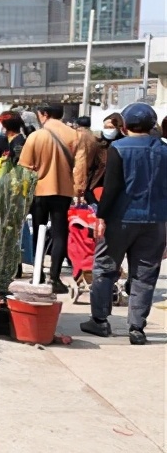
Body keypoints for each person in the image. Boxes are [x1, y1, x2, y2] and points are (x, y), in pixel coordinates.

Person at [81, 103, 166, 346]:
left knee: (105, 268)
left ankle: (99, 320)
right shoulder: (165, 151)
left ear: (125, 126)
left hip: (121, 218)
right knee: (145, 275)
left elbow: (113, 187)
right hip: (155, 220)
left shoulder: (118, 148)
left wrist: (101, 216)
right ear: (152, 126)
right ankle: (137, 328)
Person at [18, 104, 88, 291]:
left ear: (44, 115)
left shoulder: (35, 136)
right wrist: (79, 190)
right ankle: (55, 277)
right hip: (64, 191)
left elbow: (24, 166)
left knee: (38, 232)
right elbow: (80, 168)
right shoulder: (75, 136)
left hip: (39, 191)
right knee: (59, 234)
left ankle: (38, 273)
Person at [82, 112, 125, 204]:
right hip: (95, 187)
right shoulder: (97, 146)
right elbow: (87, 167)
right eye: (106, 127)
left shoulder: (124, 147)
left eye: (111, 127)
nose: (108, 130)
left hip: (117, 190)